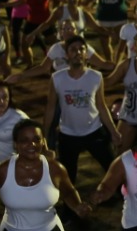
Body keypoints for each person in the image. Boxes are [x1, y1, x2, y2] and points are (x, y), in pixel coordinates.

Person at [46, 36, 121, 184]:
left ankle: (124, 200)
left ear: (86, 54)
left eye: (81, 49)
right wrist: (44, 135)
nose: (78, 52)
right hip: (68, 135)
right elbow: (50, 108)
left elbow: (101, 106)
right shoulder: (57, 78)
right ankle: (70, 207)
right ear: (66, 55)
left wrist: (113, 131)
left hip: (94, 131)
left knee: (112, 169)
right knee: (68, 178)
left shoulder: (96, 77)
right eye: (73, 50)